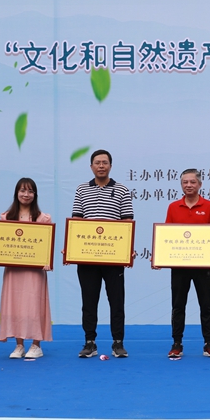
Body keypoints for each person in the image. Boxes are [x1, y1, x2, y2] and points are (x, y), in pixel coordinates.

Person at [71, 149, 134, 359]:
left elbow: (127, 223)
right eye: (97, 162)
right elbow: (77, 222)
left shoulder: (122, 190)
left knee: (117, 301)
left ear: (110, 166)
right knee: (89, 302)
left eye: (105, 162)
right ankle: (90, 342)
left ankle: (118, 343)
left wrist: (128, 249)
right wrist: (71, 247)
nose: (101, 166)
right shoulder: (82, 189)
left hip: (113, 257)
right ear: (91, 166)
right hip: (87, 256)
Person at [164, 168, 210, 358]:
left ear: (200, 184)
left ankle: (208, 343)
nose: (189, 185)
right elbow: (166, 236)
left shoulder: (209, 206)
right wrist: (160, 257)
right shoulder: (173, 207)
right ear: (181, 185)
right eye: (185, 182)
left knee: (206, 305)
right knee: (178, 306)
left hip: (202, 266)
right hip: (179, 266)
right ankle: (177, 343)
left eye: (192, 182)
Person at [0, 178, 52, 359]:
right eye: (22, 191)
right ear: (16, 193)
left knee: (34, 304)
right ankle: (19, 345)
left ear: (35, 195)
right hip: (13, 270)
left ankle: (36, 345)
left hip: (35, 271)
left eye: (30, 191)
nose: (26, 195)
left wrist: (47, 259)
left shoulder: (43, 218)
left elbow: (47, 244)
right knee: (15, 305)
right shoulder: (6, 218)